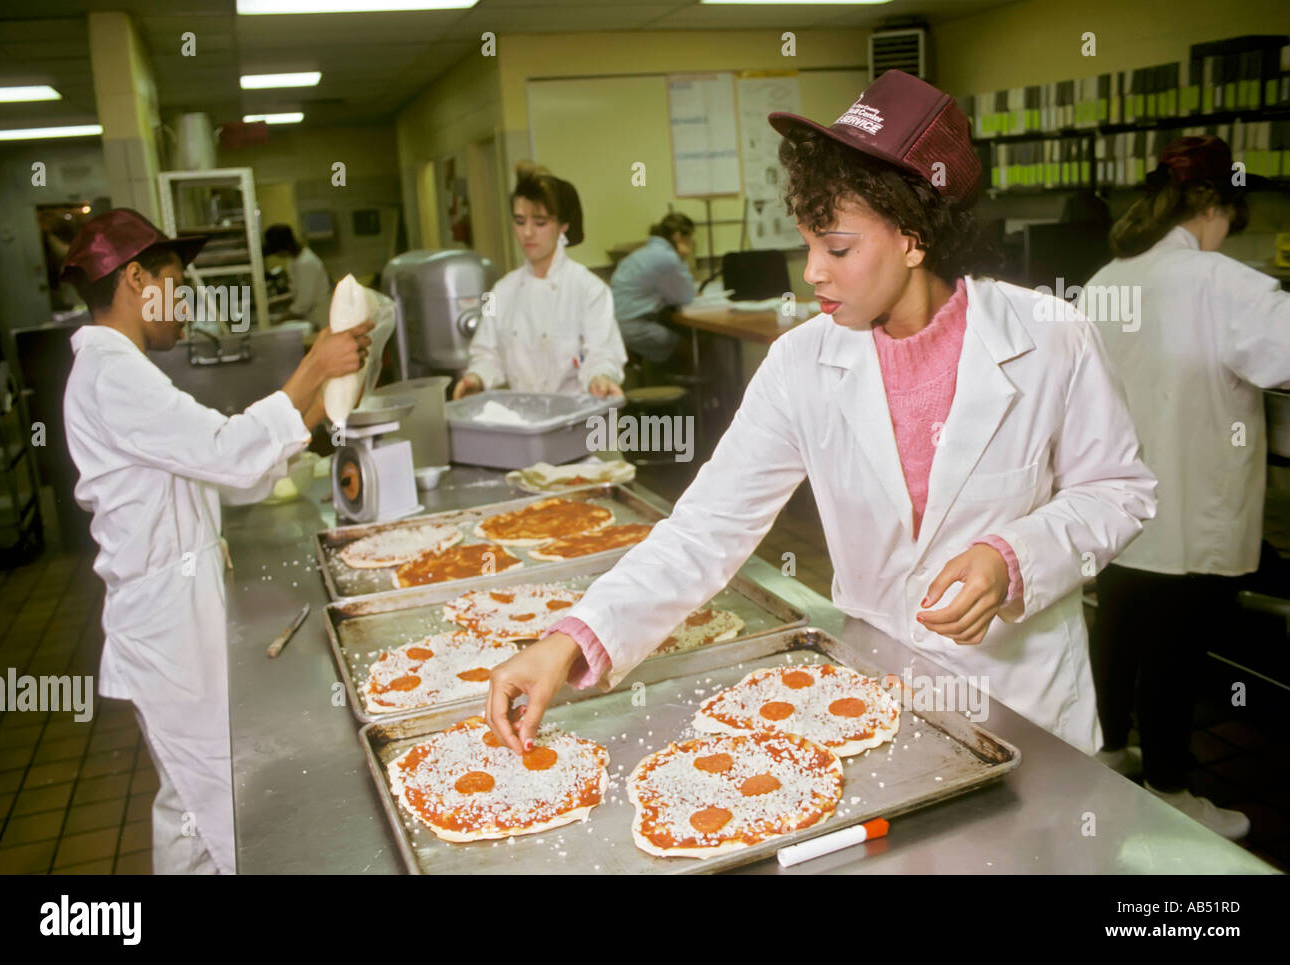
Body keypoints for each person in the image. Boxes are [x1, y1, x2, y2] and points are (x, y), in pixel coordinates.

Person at [485, 70, 1158, 758]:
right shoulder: (799, 365)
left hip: (1026, 704)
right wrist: (574, 636)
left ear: (915, 238)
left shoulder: (1050, 337)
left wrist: (1013, 557)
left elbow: (1119, 490)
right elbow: (705, 530)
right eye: (807, 243)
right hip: (877, 698)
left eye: (836, 248)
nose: (811, 271)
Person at [61, 208, 373, 873]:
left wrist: (322, 393)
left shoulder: (123, 370)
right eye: (178, 284)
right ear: (136, 278)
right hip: (167, 629)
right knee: (217, 805)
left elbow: (229, 474)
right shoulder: (111, 374)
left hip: (177, 618)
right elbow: (229, 454)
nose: (188, 303)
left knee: (191, 800)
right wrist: (314, 364)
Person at [1084, 136, 1290, 840]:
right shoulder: (1225, 283)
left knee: (1116, 630)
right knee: (1176, 650)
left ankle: (1108, 751)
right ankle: (1172, 788)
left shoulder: (1108, 277)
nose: (1229, 231)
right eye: (1232, 215)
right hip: (1188, 502)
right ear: (1211, 204)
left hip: (1112, 505)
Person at [453, 162, 626, 399]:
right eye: (520, 221)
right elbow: (486, 353)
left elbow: (602, 354)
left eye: (540, 223)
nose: (527, 233)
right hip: (526, 421)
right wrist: (478, 377)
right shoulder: (501, 291)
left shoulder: (590, 290)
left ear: (563, 226)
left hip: (578, 422)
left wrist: (600, 377)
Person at [610, 212, 698, 366]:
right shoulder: (667, 257)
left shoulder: (641, 253)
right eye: (689, 238)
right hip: (634, 327)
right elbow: (686, 295)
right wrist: (683, 259)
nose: (690, 243)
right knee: (691, 349)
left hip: (618, 325)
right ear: (678, 237)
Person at [264, 223, 332, 330]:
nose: (278, 255)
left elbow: (303, 303)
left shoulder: (306, 263)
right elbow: (297, 292)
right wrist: (273, 302)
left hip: (319, 317)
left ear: (285, 247)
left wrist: (278, 320)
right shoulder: (294, 260)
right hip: (311, 316)